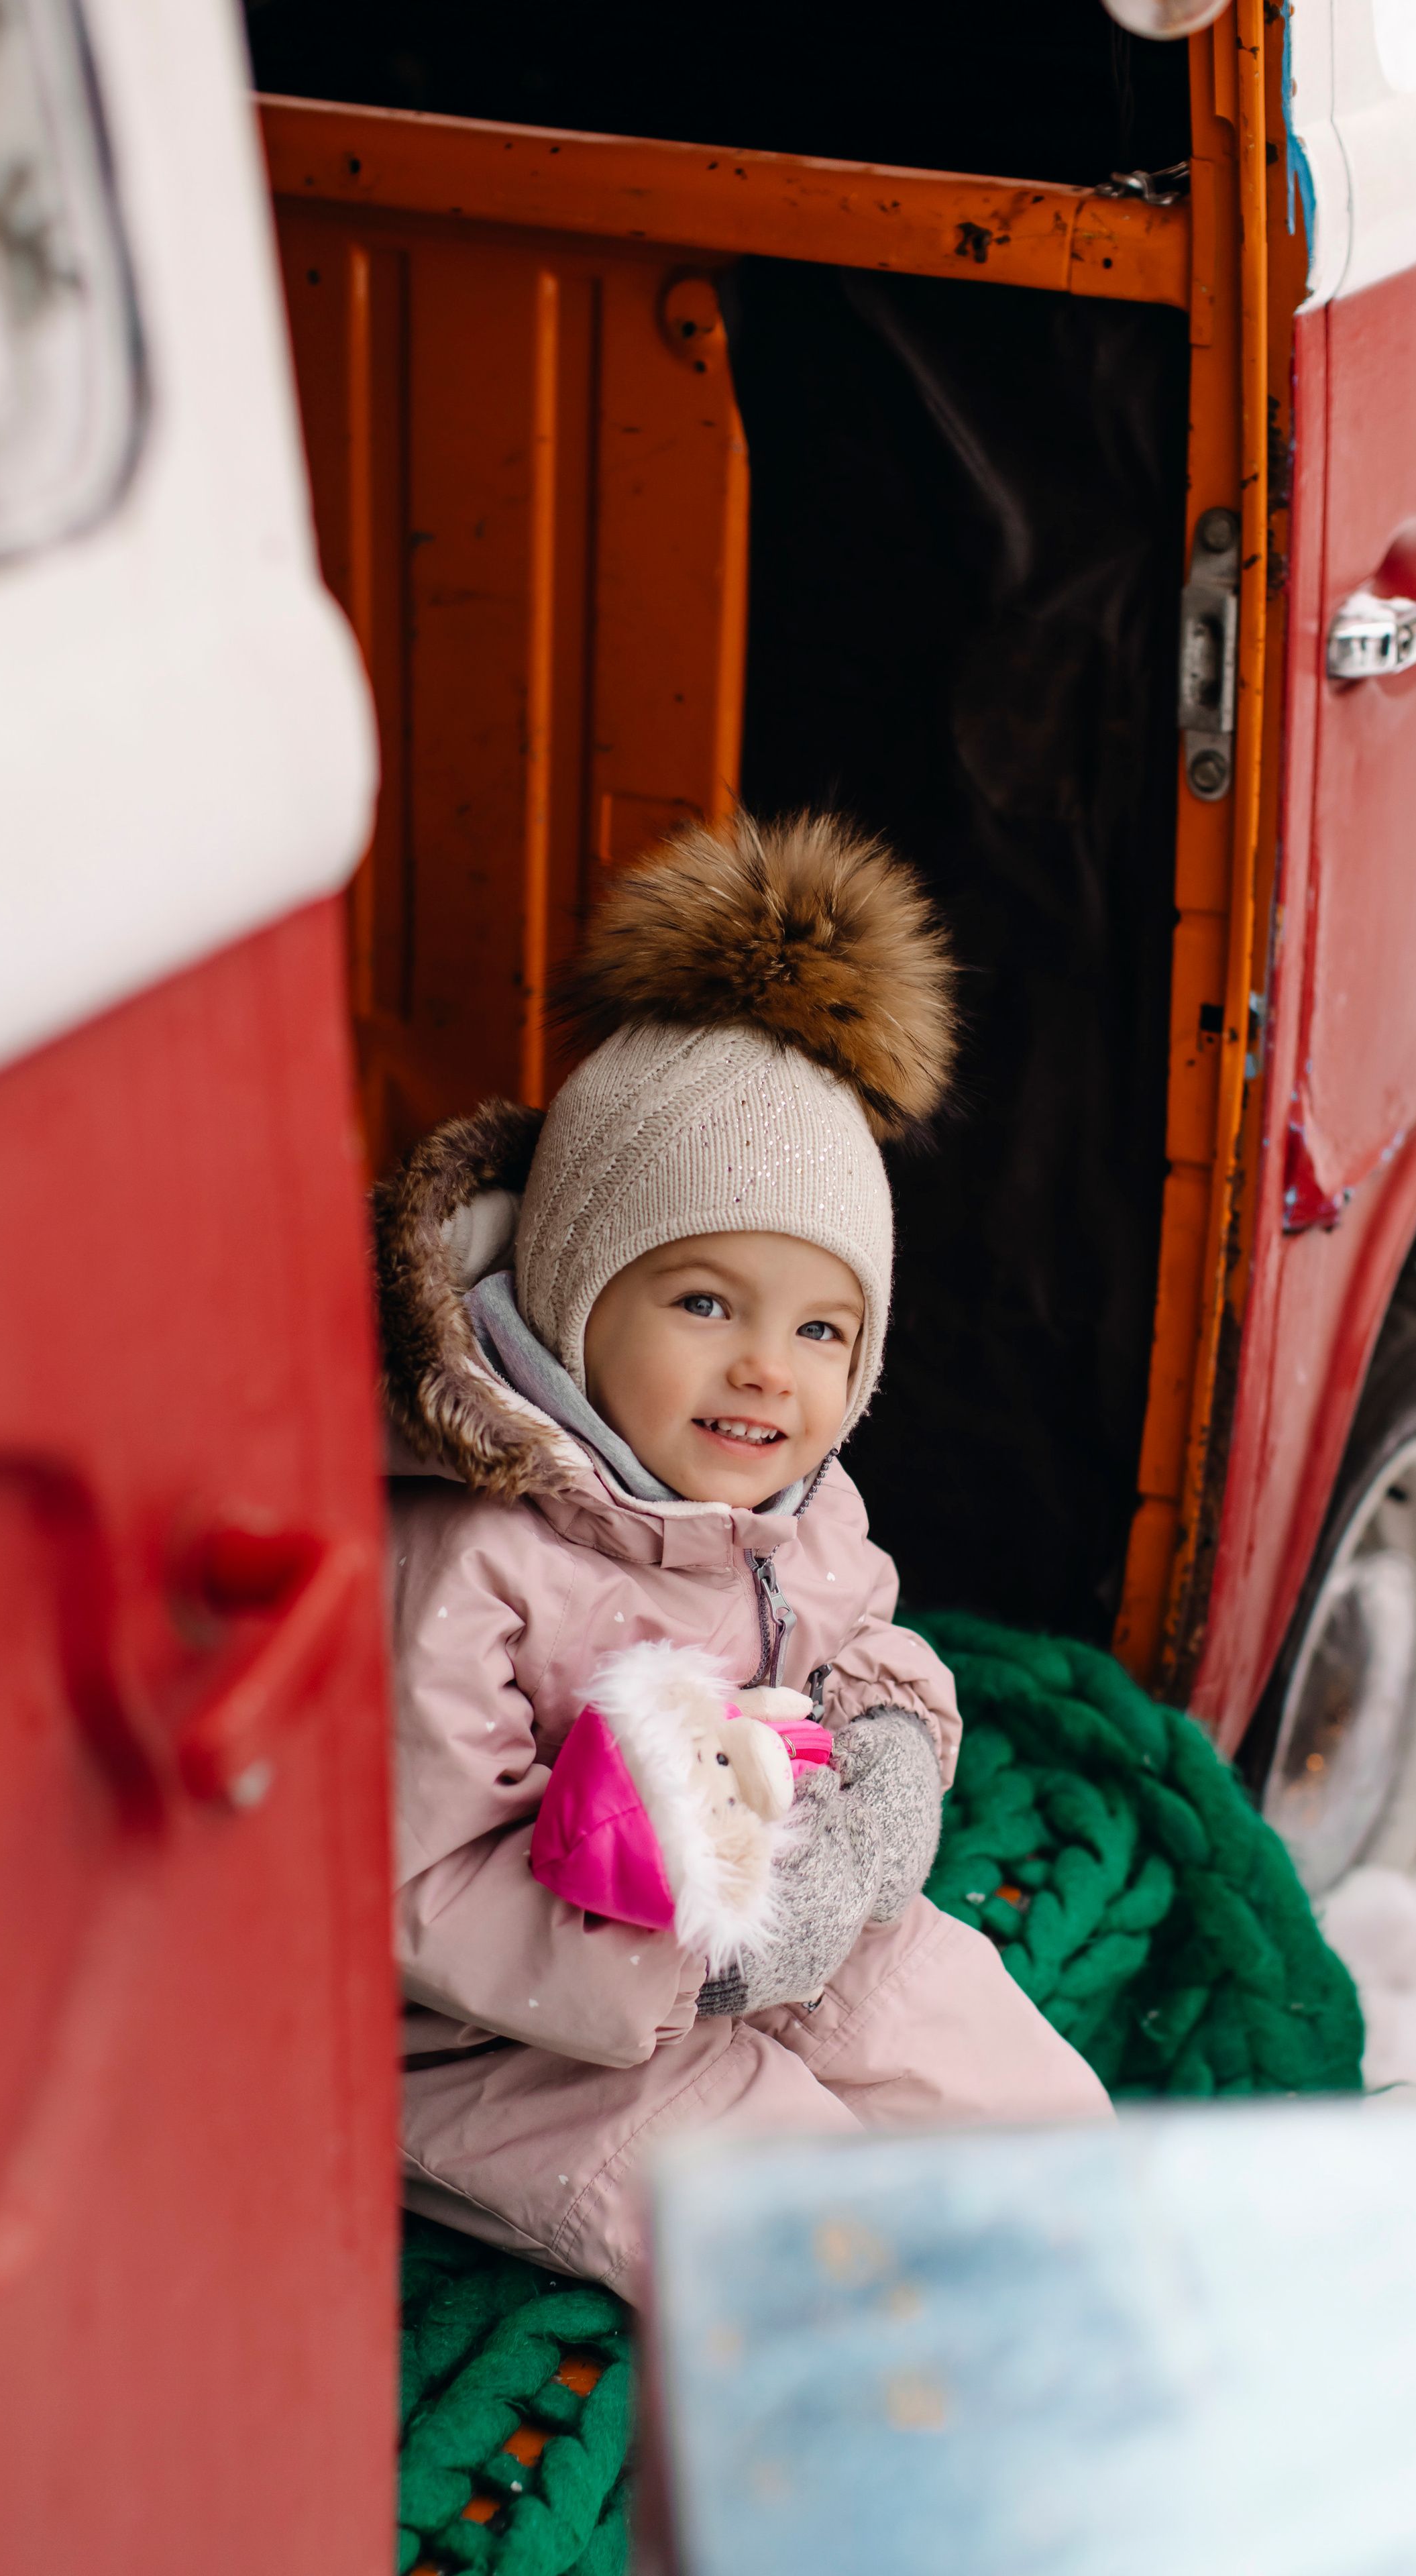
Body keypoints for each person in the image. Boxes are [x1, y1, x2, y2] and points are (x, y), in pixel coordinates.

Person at [377, 810, 1109, 2304]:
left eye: (819, 1329)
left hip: (766, 1926)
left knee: (998, 2079)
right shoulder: (474, 1561)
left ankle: (1113, 2286)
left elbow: (857, 1638)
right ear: (576, 1295)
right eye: (705, 1304)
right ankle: (925, 2417)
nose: (768, 1372)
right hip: (501, 2043)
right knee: (800, 2221)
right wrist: (703, 1970)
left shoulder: (791, 1500)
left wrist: (888, 1760)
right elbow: (422, 1886)